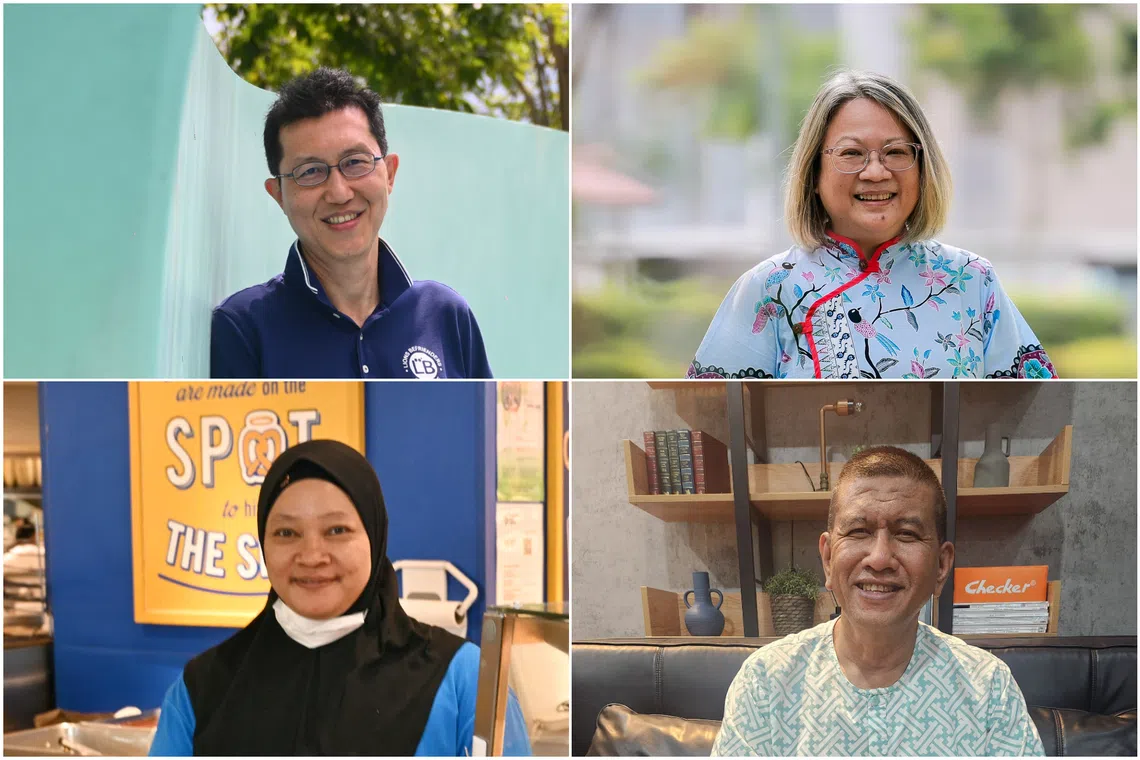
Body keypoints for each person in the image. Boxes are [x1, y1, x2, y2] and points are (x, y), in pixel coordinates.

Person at [148, 439, 529, 756]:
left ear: (375, 538)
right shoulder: (201, 690)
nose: (312, 556)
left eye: (336, 530)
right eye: (286, 533)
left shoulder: (465, 680)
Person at [689, 70, 1055, 380]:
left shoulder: (973, 280)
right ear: (813, 173)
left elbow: (1039, 417)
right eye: (851, 153)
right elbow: (711, 430)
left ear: (923, 169)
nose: (876, 172)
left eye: (897, 152)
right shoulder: (769, 288)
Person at [713, 447, 1044, 757]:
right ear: (828, 558)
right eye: (858, 531)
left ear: (941, 566)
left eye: (907, 534)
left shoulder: (988, 689)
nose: (880, 557)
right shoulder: (766, 682)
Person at [210, 68, 493, 379]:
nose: (339, 193)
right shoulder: (243, 329)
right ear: (278, 195)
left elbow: (485, 428)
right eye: (310, 172)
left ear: (390, 174)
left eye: (355, 162)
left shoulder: (445, 316)